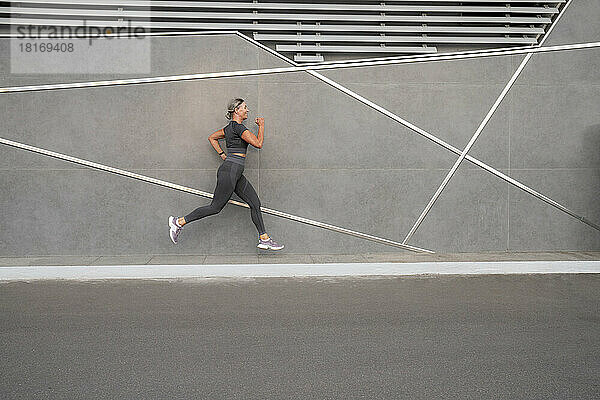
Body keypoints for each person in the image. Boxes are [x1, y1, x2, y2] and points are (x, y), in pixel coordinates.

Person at [168, 98, 284, 250]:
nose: (247, 110)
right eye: (244, 107)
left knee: (255, 203)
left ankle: (264, 238)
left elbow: (212, 138)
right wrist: (262, 126)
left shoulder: (229, 129)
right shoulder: (239, 128)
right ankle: (179, 222)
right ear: (236, 110)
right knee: (215, 207)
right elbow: (258, 143)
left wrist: (223, 155)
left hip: (234, 171)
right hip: (230, 171)